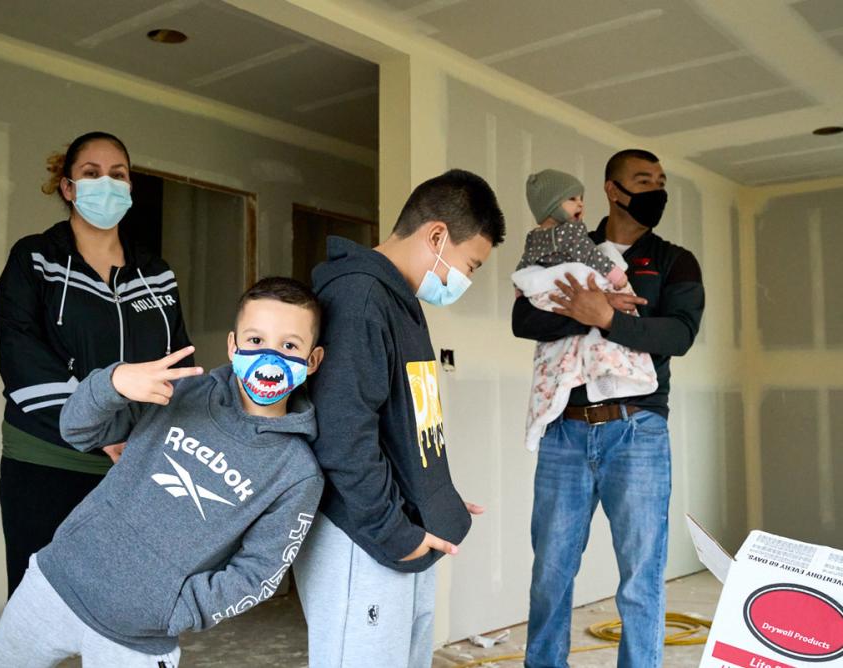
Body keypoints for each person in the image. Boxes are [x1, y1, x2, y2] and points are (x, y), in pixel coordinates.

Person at [0, 277, 326, 667]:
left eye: (289, 345)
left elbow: (258, 573)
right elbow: (75, 429)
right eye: (255, 340)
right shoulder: (179, 392)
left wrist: (176, 609)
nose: (269, 356)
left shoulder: (297, 473)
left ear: (312, 361)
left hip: (140, 637)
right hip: (56, 583)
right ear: (232, 345)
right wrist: (113, 382)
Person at [293, 169, 506, 667]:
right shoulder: (360, 298)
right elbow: (344, 437)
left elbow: (403, 423)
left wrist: (433, 493)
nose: (467, 281)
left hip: (399, 530)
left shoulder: (398, 302)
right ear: (436, 235)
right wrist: (396, 533)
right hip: (364, 539)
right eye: (471, 265)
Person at [513, 149, 705, 668]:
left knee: (642, 576)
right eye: (643, 180)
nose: (656, 189)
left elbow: (679, 333)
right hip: (564, 431)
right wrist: (588, 315)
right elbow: (525, 320)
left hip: (637, 430)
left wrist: (605, 317)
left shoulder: (674, 260)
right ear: (612, 189)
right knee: (551, 572)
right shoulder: (563, 242)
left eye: (661, 180)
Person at [0, 131, 193, 596]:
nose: (107, 183)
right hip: (46, 459)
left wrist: (160, 439)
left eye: (118, 174)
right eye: (92, 173)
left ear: (130, 187)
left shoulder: (156, 272)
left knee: (125, 601)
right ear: (68, 188)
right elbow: (22, 359)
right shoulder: (35, 259)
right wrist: (100, 431)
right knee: (37, 600)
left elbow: (178, 361)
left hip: (135, 465)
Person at [512, 168, 656, 451]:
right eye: (572, 199)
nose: (580, 205)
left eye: (581, 198)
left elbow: (524, 267)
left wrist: (521, 287)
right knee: (598, 342)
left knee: (552, 368)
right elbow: (590, 258)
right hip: (571, 286)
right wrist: (615, 278)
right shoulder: (574, 233)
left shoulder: (533, 237)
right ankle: (613, 378)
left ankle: (539, 419)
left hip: (548, 293)